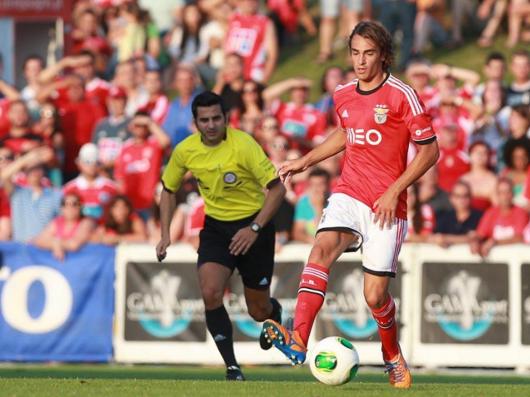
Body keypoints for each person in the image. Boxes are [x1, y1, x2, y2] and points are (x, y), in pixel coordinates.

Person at [261, 21, 439, 389]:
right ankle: (299, 338)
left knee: (374, 295)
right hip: (349, 192)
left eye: (368, 53)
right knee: (321, 248)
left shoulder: (402, 94)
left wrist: (394, 190)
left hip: (388, 206)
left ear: (384, 55)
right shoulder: (342, 94)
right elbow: (344, 132)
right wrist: (305, 161)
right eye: (355, 52)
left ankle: (392, 355)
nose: (360, 61)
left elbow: (430, 151)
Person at [156, 91, 286, 381]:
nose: (212, 124)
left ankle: (274, 314)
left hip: (255, 226)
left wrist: (254, 228)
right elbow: (168, 189)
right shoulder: (185, 150)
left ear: (227, 118)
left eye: (217, 118)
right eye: (205, 120)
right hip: (216, 228)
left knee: (257, 310)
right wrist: (165, 234)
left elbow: (277, 190)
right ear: (196, 123)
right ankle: (232, 367)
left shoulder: (244, 144)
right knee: (210, 291)